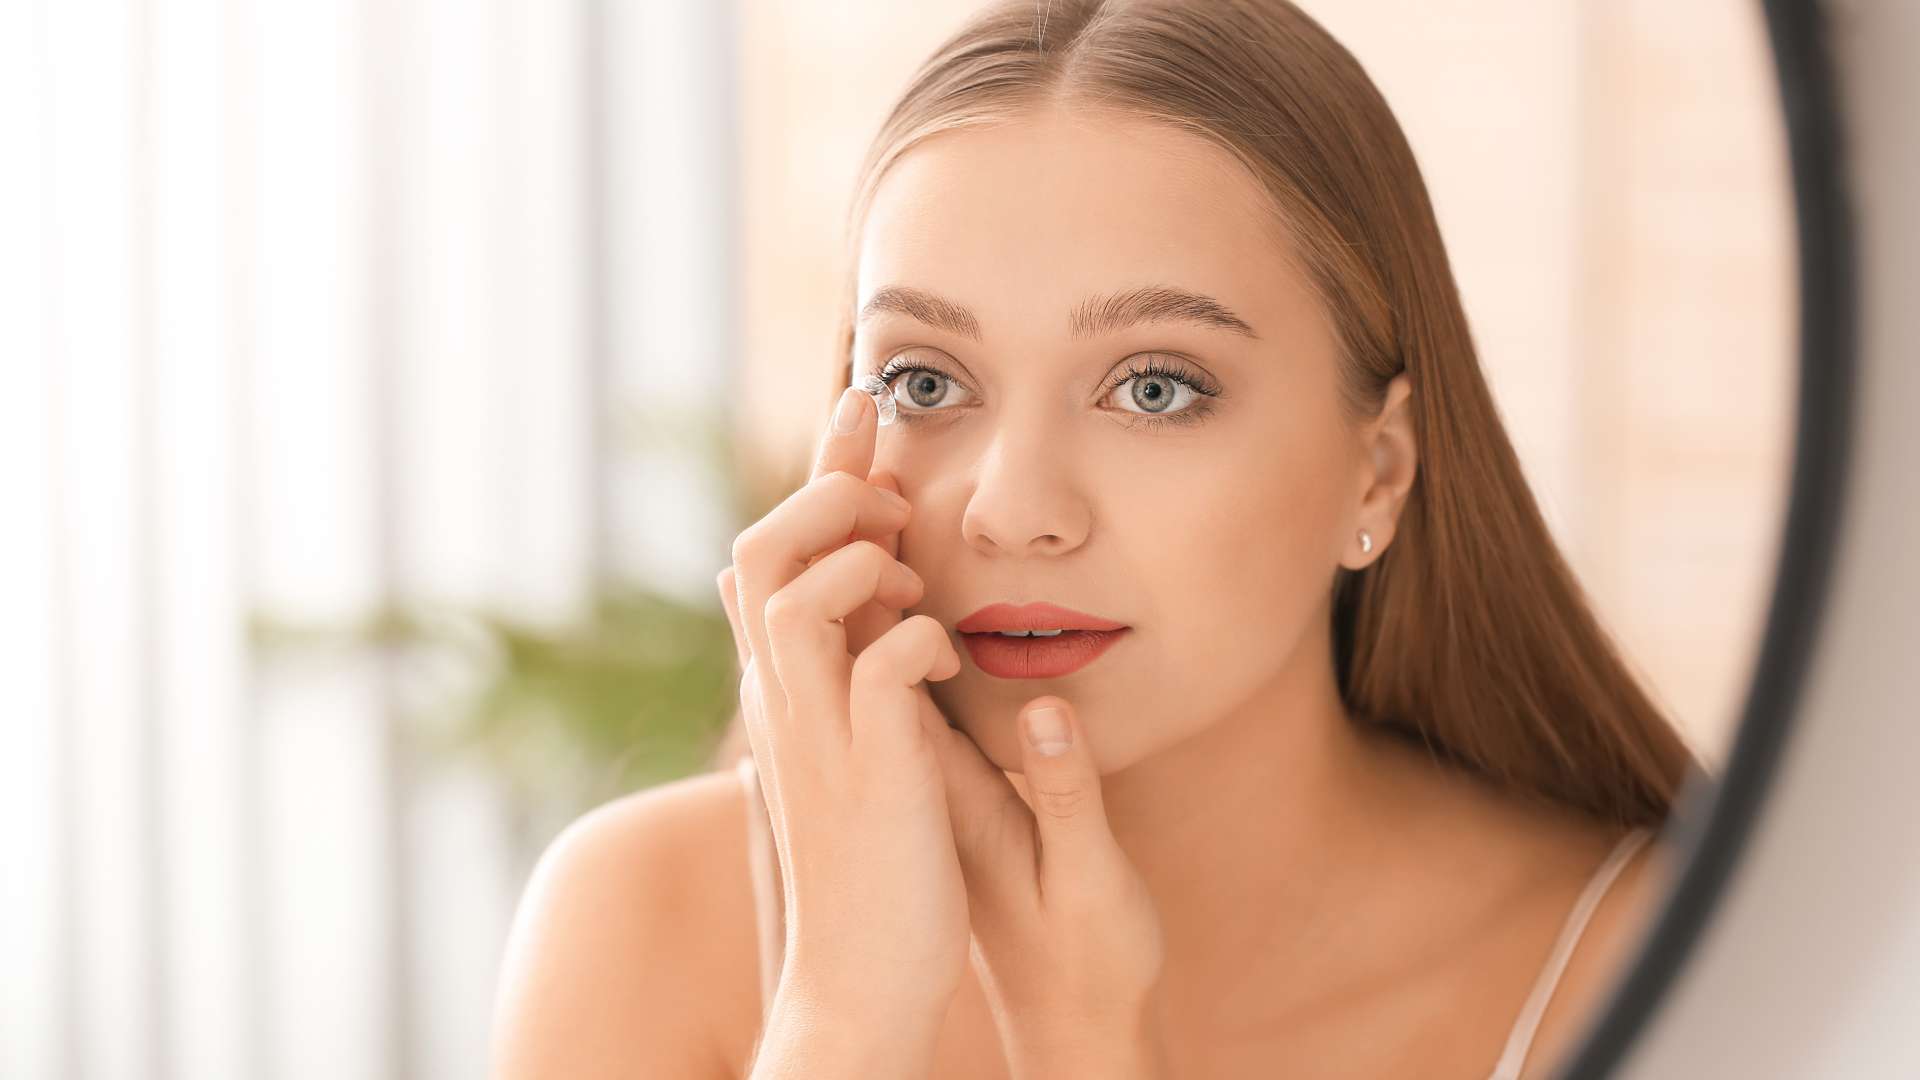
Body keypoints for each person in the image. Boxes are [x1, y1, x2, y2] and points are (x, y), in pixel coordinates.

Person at [489, 1, 1707, 1076]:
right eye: (923, 382)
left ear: (1375, 473)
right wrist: (846, 1015)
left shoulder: (1654, 958)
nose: (1011, 507)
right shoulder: (643, 924)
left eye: (1156, 387)